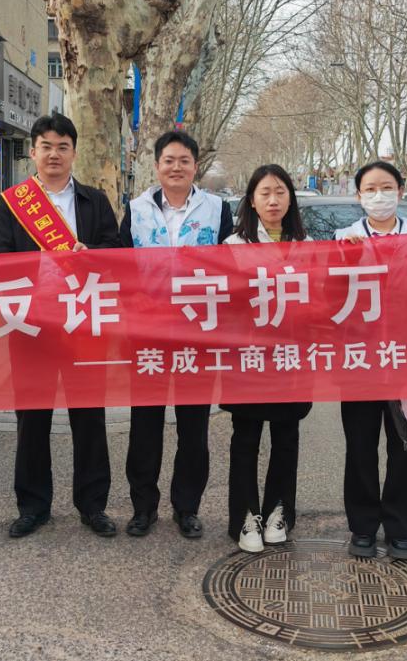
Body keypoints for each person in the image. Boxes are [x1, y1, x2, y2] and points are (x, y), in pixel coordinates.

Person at [0, 112, 122, 539]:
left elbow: (116, 253)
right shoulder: (14, 202)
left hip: (82, 322)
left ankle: (93, 506)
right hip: (32, 325)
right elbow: (0, 260)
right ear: (33, 152)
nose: (54, 154)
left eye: (62, 147)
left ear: (74, 153)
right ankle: (33, 507)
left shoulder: (94, 201)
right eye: (46, 146)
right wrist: (40, 265)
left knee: (89, 418)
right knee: (32, 419)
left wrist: (89, 255)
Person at [119, 130, 234, 540]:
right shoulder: (136, 210)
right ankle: (143, 508)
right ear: (156, 166)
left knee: (193, 428)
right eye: (169, 160)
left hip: (197, 334)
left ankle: (187, 508)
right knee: (144, 425)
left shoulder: (217, 210)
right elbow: (119, 266)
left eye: (184, 160)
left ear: (195, 166)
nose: (176, 167)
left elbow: (233, 265)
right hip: (147, 333)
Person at [334, 160, 407, 562]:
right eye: (370, 189)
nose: (379, 196)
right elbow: (328, 298)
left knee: (405, 444)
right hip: (359, 359)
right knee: (360, 446)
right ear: (359, 195)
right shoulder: (342, 239)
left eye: (387, 187)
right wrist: (344, 261)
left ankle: (400, 530)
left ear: (400, 191)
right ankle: (362, 527)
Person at [221, 165, 312, 553]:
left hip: (291, 355)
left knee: (286, 436)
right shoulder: (233, 245)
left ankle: (279, 511)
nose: (273, 200)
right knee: (246, 437)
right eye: (265, 193)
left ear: (290, 198)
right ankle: (245, 517)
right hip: (249, 356)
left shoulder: (308, 245)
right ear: (252, 201)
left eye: (280, 192)